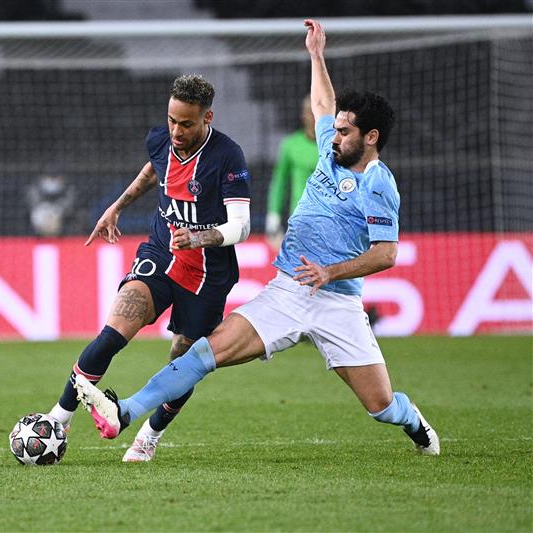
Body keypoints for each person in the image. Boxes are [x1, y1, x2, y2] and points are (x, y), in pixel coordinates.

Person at [74, 19, 440, 457]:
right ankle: (125, 412)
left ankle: (413, 421)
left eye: (345, 132)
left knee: (379, 406)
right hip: (288, 290)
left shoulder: (379, 185)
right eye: (337, 129)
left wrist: (331, 271)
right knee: (204, 353)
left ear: (371, 137)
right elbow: (324, 102)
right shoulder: (329, 147)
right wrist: (316, 55)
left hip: (337, 302)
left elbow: (387, 253)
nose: (333, 136)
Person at [47, 74, 252, 462]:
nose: (176, 130)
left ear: (207, 117)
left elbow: (241, 225)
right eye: (172, 120)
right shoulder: (160, 139)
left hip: (206, 275)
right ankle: (58, 419)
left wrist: (200, 237)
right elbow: (152, 171)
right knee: (114, 331)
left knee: (183, 361)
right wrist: (117, 206)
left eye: (187, 123)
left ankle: (149, 434)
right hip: (160, 254)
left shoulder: (228, 156)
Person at [265, 94, 318, 245]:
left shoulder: (335, 145)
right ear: (303, 115)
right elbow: (279, 183)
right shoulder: (290, 145)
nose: (313, 116)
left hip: (331, 221)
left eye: (317, 111)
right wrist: (273, 216)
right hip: (299, 221)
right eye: (310, 111)